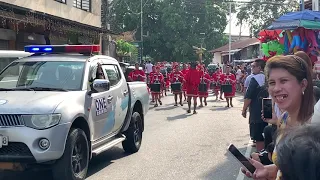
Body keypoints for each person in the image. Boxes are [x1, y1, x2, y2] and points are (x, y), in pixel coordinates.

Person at [242, 53, 314, 180]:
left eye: (284, 81)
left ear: (303, 84)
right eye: (272, 82)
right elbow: (284, 170)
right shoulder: (284, 118)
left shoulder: (314, 124)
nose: (276, 89)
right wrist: (265, 171)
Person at [242, 59, 268, 152]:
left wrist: (244, 109)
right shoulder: (268, 78)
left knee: (258, 134)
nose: (251, 68)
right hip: (268, 107)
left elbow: (248, 97)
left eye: (253, 66)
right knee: (267, 132)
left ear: (259, 68)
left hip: (256, 110)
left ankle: (260, 155)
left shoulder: (254, 79)